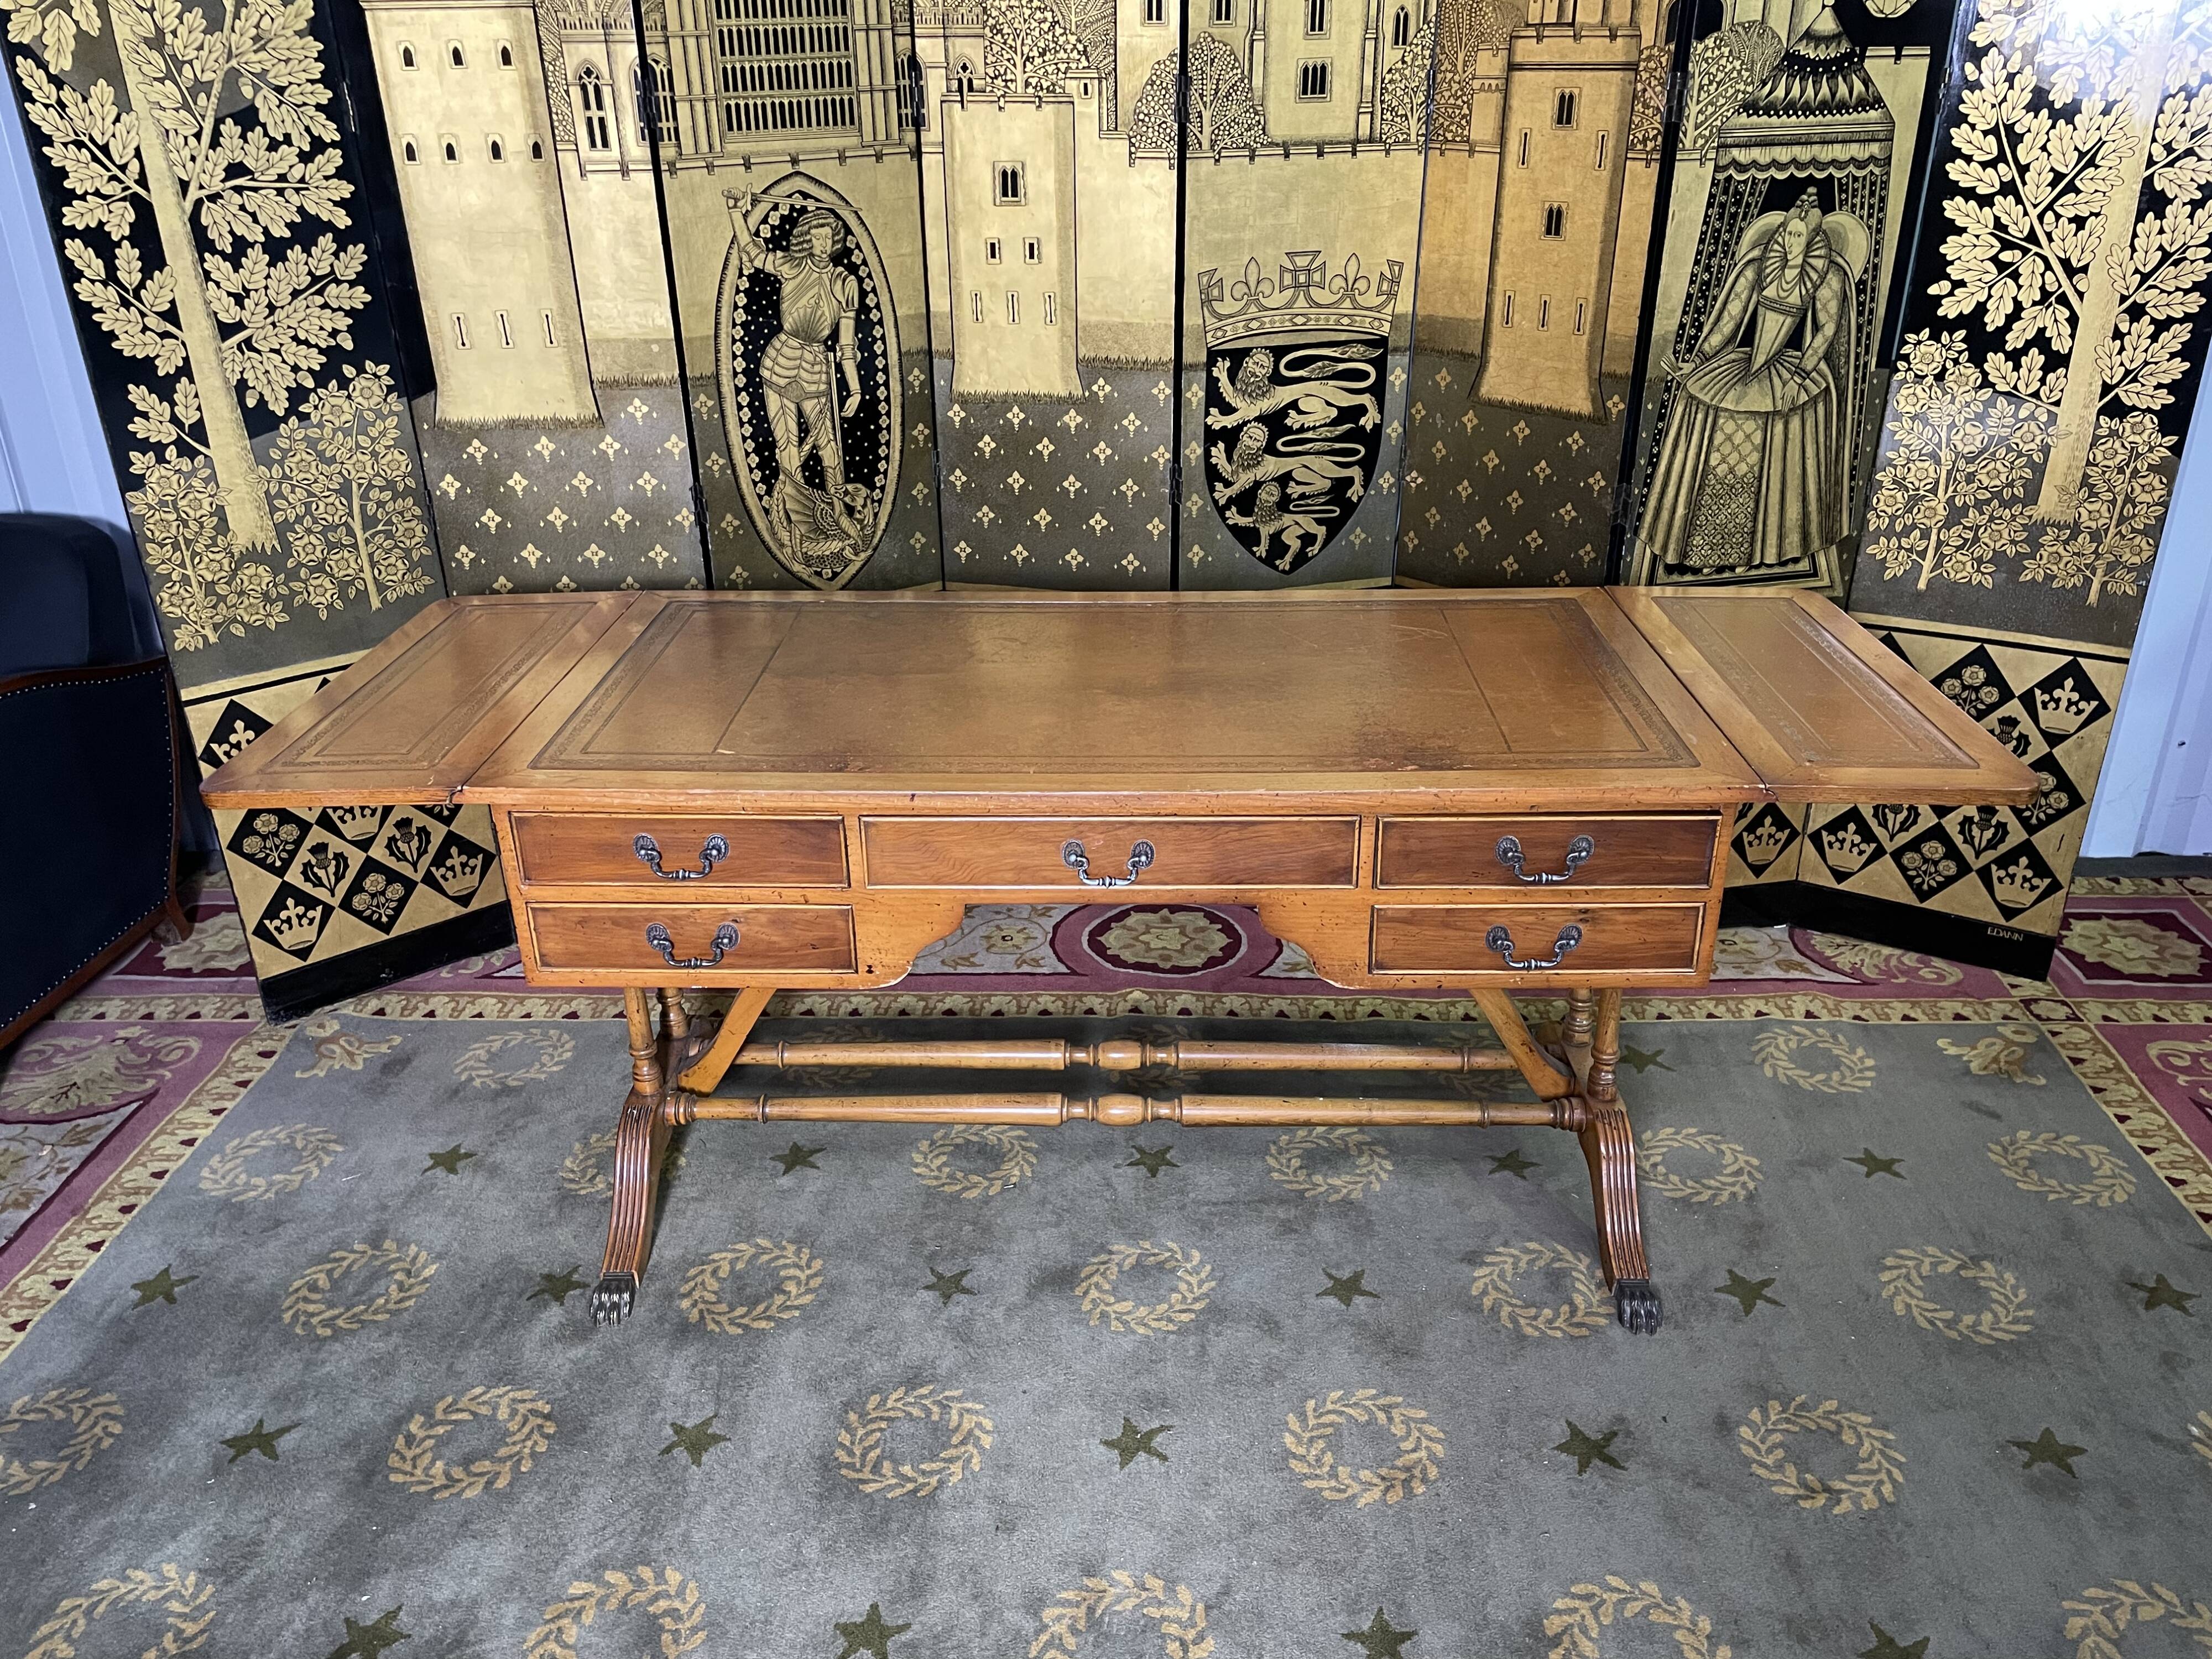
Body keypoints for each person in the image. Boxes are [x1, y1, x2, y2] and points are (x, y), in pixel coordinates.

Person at [1639, 190, 1864, 576]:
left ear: (1813, 239)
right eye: (1788, 234)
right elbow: (1728, 321)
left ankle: (1756, 550)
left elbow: (1826, 331)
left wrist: (1801, 376)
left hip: (1792, 371)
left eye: (1799, 236)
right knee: (1715, 427)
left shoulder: (1826, 276)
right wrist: (1698, 361)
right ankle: (1708, 547)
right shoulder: (1759, 267)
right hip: (1745, 367)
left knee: (1768, 445)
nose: (1791, 242)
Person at [728, 189, 868, 557]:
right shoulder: (792, 265)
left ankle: (838, 514)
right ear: (807, 240)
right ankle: (797, 531)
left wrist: (855, 389)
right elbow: (753, 253)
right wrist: (735, 212)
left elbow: (847, 345)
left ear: (835, 241)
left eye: (828, 237)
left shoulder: (846, 283)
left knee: (829, 448)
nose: (823, 244)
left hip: (817, 367)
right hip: (779, 362)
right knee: (787, 448)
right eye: (816, 237)